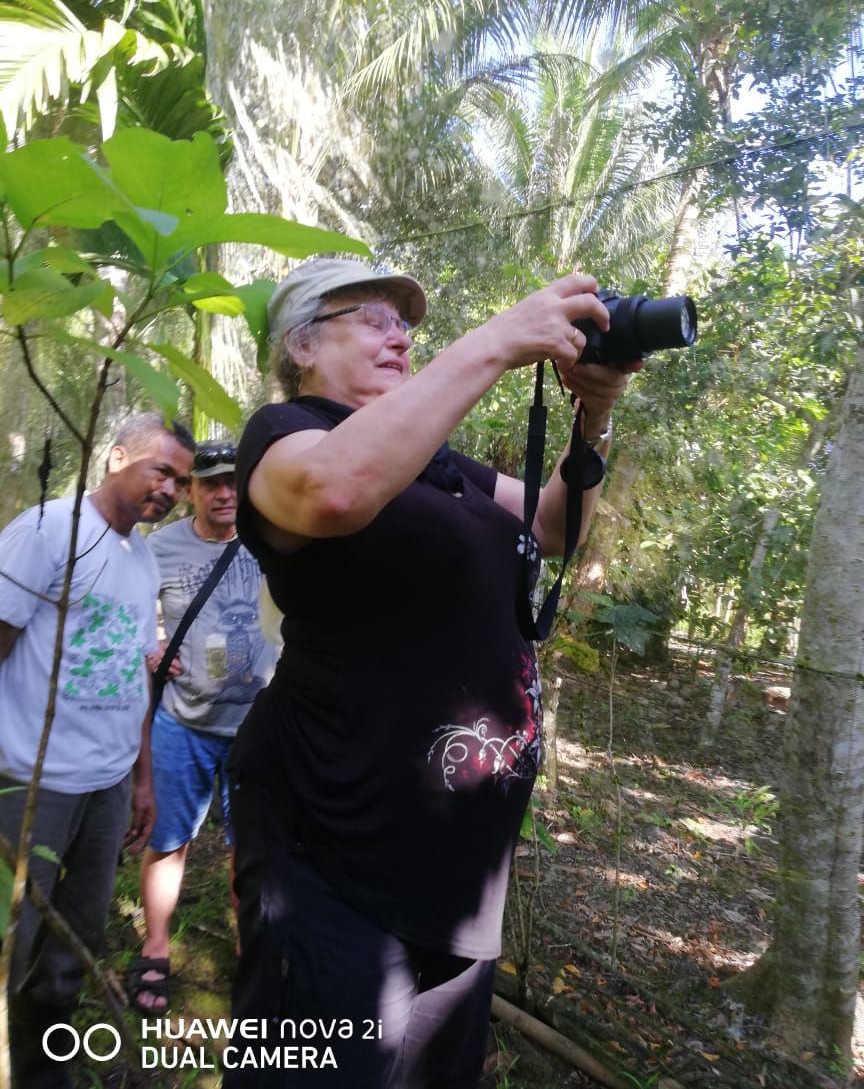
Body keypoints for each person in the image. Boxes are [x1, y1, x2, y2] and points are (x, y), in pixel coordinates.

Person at [225, 258, 637, 1087]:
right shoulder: (285, 433)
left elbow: (555, 528)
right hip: (334, 853)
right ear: (301, 343)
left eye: (405, 323)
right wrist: (498, 342)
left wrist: (593, 414)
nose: (400, 335)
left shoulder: (439, 463)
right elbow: (335, 490)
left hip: (456, 880)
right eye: (371, 318)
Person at [0, 412, 194, 1088]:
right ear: (115, 458)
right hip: (31, 781)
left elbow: (137, 674)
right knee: (12, 943)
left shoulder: (140, 557)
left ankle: (43, 1068)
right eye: (160, 470)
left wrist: (141, 781)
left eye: (181, 481)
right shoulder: (48, 531)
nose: (170, 489)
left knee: (71, 944)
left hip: (106, 785)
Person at [129, 441, 278, 1014]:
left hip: (258, 725)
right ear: (190, 489)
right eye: (210, 483)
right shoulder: (158, 549)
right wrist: (152, 650)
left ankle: (250, 947)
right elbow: (139, 622)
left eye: (233, 482)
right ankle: (156, 946)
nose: (224, 493)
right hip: (182, 722)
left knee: (251, 846)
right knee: (169, 842)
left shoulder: (275, 537)